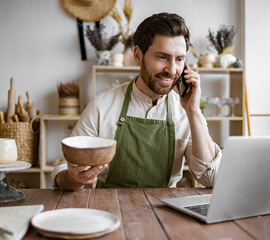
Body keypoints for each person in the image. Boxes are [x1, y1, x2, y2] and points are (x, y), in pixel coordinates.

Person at [52, 12, 222, 190]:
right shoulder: (101, 105)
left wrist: (193, 112)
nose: (172, 70)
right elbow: (64, 169)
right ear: (138, 55)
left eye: (179, 59)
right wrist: (73, 179)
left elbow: (211, 178)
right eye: (162, 57)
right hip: (111, 208)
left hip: (165, 211)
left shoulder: (187, 112)